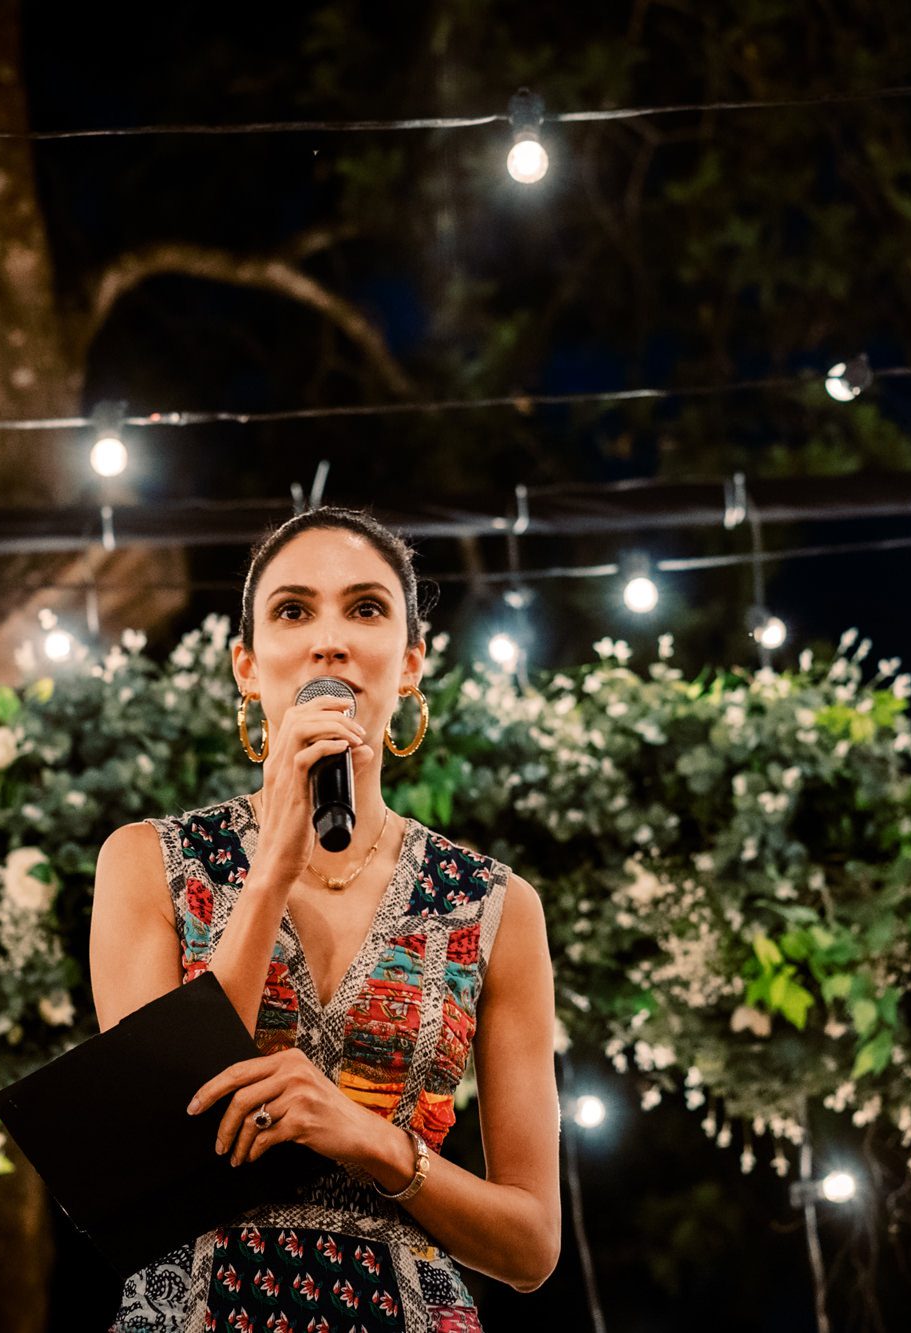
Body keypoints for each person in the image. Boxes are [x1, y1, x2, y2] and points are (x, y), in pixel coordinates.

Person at [91, 508, 561, 1332]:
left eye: (367, 608)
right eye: (294, 609)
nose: (330, 639)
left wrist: (371, 1140)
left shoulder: (495, 904)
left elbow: (530, 1245)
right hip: (201, 1305)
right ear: (247, 666)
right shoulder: (147, 861)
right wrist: (272, 861)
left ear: (411, 662)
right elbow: (153, 1129)